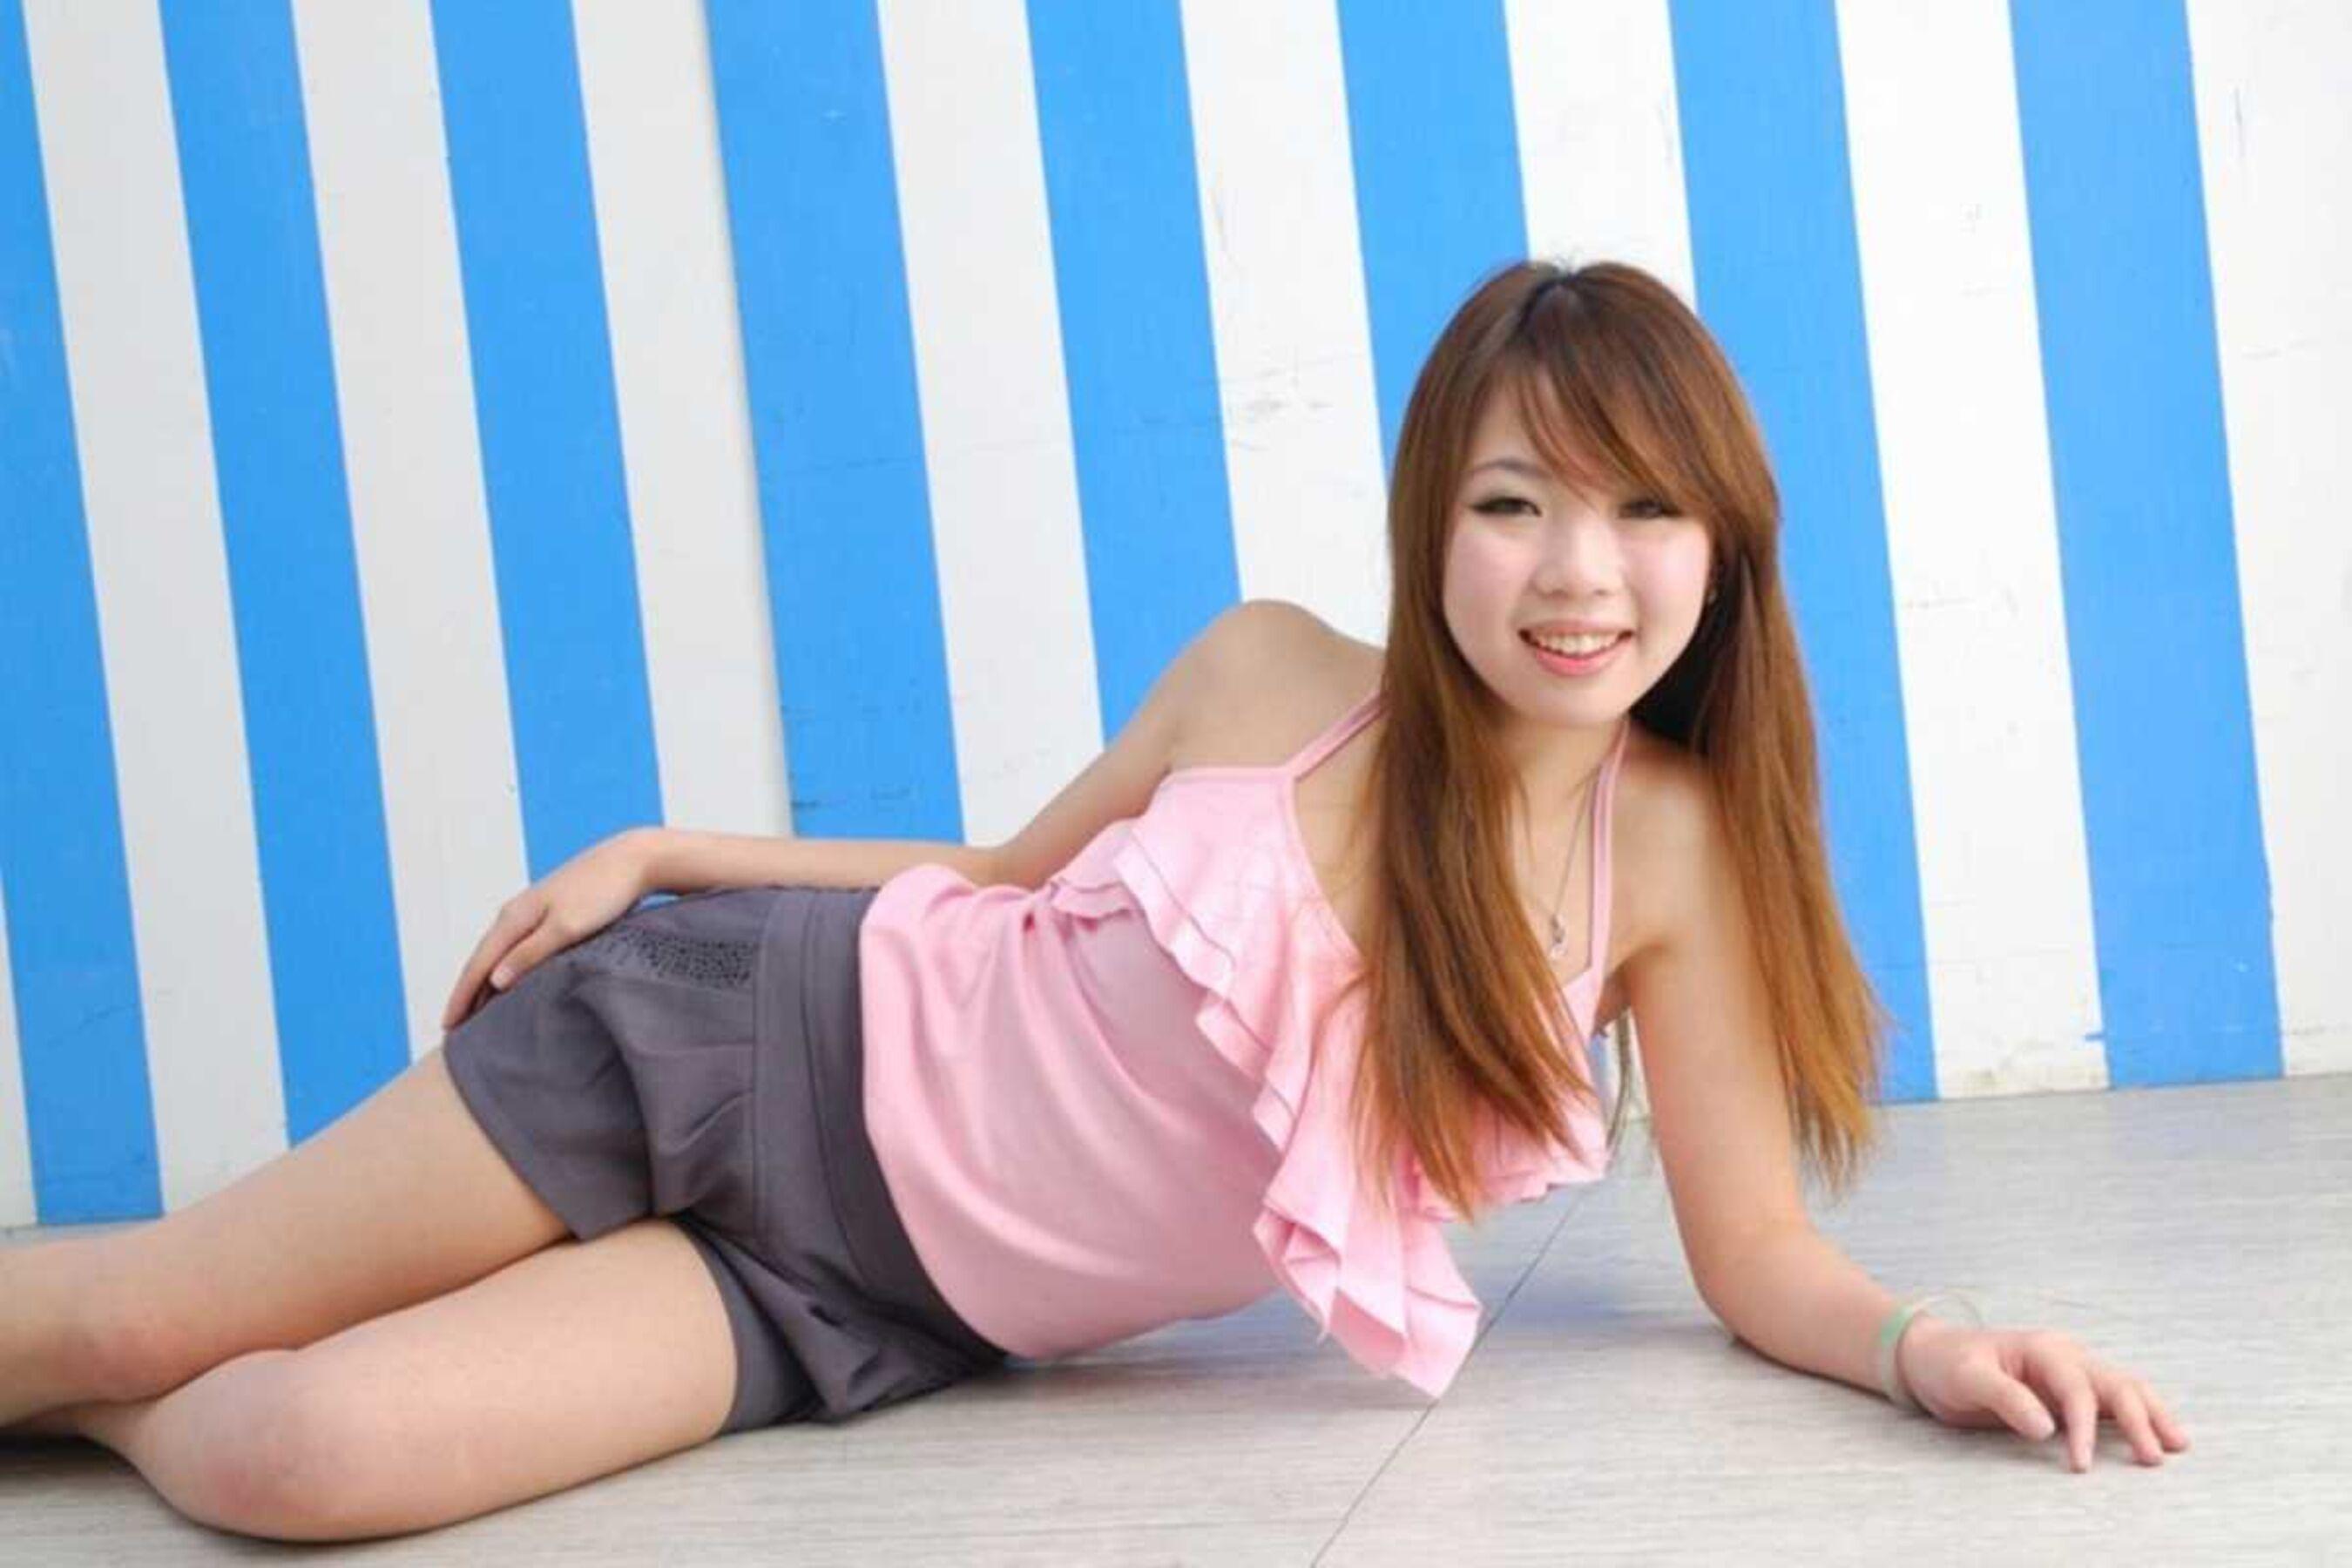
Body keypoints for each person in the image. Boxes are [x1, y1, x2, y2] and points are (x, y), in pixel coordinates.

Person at [0, 258, 2188, 1541]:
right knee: (141, 1311)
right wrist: (666, 854)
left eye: (1643, 513)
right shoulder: (1272, 675)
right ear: (1433, 523)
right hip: (754, 1032)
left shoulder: (1676, 851)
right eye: (1516, 502)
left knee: (293, 1456)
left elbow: (1756, 1253)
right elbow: (989, 879)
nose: (1577, 573)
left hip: (871, 1304)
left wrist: (1924, 1346)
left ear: (1723, 547)